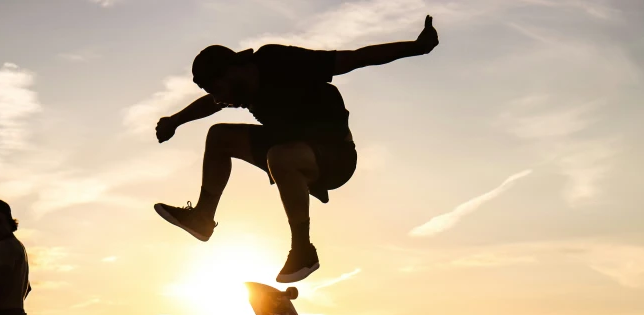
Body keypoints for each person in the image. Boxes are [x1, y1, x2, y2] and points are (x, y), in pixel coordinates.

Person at [153, 16, 439, 283]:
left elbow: (356, 58)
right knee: (219, 137)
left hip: (334, 156)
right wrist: (175, 121)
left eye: (220, 91)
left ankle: (303, 250)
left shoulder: (280, 61)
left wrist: (417, 47)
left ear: (234, 70)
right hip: (286, 146)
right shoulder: (235, 88)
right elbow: (208, 104)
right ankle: (203, 218)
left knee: (280, 156)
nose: (222, 101)